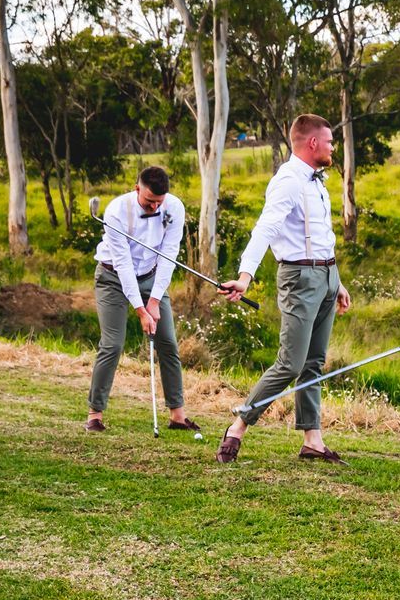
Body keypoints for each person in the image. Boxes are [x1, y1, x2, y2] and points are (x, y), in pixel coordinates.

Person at [215, 114, 351, 463]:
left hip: (326, 276)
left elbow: (322, 236)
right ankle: (238, 426)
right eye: (330, 141)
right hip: (299, 280)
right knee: (290, 363)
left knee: (314, 363)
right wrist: (245, 276)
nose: (334, 147)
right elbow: (265, 229)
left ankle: (313, 441)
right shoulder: (288, 181)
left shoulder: (317, 182)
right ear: (312, 143)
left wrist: (337, 283)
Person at [87, 165, 198, 434]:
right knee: (112, 344)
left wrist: (155, 301)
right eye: (149, 202)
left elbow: (169, 255)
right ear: (137, 189)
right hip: (113, 276)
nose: (154, 208)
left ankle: (177, 416)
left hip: (151, 276)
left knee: (168, 343)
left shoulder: (174, 208)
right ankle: (95, 415)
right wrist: (140, 310)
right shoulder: (116, 211)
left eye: (158, 203)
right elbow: (123, 265)